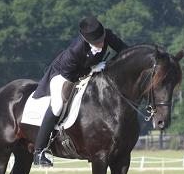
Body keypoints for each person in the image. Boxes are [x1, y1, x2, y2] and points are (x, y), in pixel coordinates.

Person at [33, 16, 128, 166]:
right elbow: (71, 73)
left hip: (91, 72)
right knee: (57, 105)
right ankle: (39, 151)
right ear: (88, 40)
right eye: (97, 42)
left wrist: (111, 64)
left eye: (102, 39)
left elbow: (125, 51)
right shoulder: (75, 51)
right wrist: (91, 69)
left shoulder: (106, 35)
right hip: (65, 75)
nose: (102, 43)